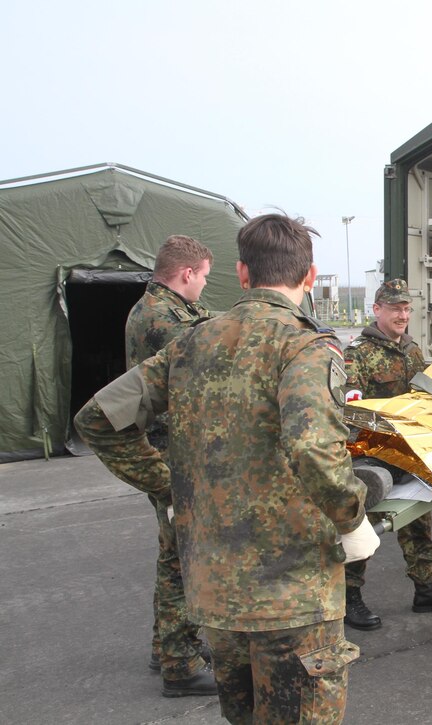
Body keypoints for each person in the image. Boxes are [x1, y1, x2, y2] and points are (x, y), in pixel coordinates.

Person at [75, 213, 379, 724]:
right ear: (310, 276)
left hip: (217, 593)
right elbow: (312, 447)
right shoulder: (305, 345)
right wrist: (352, 519)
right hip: (294, 597)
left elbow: (97, 419)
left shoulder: (191, 341)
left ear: (241, 274)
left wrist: (171, 485)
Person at [342, 278, 432, 631]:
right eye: (395, 308)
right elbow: (351, 411)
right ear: (377, 310)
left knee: (418, 521)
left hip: (409, 450)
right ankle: (350, 599)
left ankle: (426, 590)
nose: (402, 314)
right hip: (371, 454)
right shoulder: (358, 355)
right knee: (362, 526)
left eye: (406, 308)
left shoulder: (411, 350)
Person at [124, 234, 215, 696]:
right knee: (182, 558)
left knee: (172, 553)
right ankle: (179, 665)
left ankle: (168, 648)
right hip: (172, 453)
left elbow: (208, 321)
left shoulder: (162, 308)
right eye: (203, 277)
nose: (204, 286)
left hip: (169, 447)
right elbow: (209, 349)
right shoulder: (162, 318)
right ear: (187, 274)